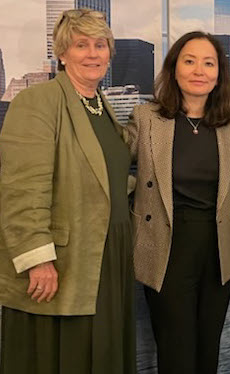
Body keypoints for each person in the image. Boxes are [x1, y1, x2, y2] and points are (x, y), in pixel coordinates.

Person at [0, 9, 135, 374]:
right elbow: (21, 188)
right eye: (81, 45)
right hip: (63, 263)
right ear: (62, 53)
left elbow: (107, 173)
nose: (93, 53)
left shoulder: (100, 105)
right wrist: (37, 259)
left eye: (100, 44)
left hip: (108, 256)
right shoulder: (37, 101)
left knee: (103, 354)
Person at [127, 31, 230, 374]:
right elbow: (110, 165)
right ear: (174, 68)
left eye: (209, 63)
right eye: (190, 60)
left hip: (218, 248)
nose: (200, 70)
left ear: (219, 74)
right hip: (166, 247)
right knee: (176, 350)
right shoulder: (147, 118)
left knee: (208, 348)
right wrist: (135, 192)